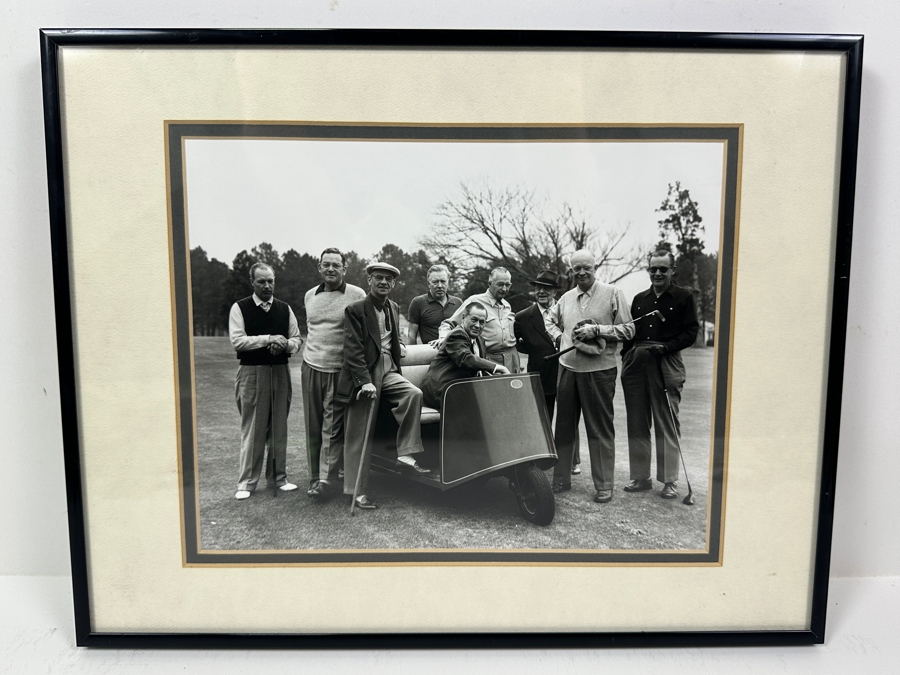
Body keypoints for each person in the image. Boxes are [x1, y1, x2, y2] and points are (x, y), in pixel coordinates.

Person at [544, 250, 634, 504]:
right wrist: (561, 338)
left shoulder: (612, 293)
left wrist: (598, 330)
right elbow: (549, 321)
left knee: (599, 429)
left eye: (586, 267)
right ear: (571, 271)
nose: (581, 272)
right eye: (576, 268)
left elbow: (629, 329)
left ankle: (604, 485)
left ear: (595, 267)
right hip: (568, 369)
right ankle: (561, 478)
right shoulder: (565, 298)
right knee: (564, 428)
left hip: (599, 371)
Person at [336, 261, 428, 511]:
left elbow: (391, 341)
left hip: (389, 370)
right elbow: (353, 350)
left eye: (389, 279)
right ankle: (357, 493)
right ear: (369, 281)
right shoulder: (355, 310)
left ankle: (405, 454)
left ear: (394, 283)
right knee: (360, 433)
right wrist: (364, 381)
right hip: (364, 372)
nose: (384, 282)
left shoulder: (394, 307)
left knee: (413, 394)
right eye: (379, 278)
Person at [621, 250, 699, 500]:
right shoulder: (639, 299)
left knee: (666, 422)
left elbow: (691, 333)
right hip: (637, 362)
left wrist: (666, 347)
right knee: (637, 421)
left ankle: (669, 481)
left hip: (666, 360)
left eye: (663, 269)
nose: (657, 273)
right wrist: (627, 357)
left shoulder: (683, 296)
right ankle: (640, 477)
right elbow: (630, 333)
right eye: (653, 269)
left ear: (672, 270)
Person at [229, 263, 302, 500]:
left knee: (279, 427)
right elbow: (238, 341)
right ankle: (247, 483)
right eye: (261, 281)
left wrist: (284, 344)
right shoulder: (240, 308)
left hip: (280, 371)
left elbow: (297, 339)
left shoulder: (284, 308)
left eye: (270, 281)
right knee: (254, 427)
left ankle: (279, 478)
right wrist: (268, 339)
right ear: (252, 282)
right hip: (252, 372)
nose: (267, 285)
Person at [301, 248, 366, 502]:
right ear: (319, 268)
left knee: (332, 427)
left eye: (335, 265)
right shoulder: (309, 295)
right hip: (311, 366)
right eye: (325, 265)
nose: (330, 269)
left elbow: (365, 329)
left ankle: (326, 480)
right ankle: (314, 476)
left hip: (340, 371)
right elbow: (312, 329)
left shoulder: (356, 294)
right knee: (313, 426)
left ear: (344, 269)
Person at [514, 269, 582, 475]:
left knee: (569, 418)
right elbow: (521, 346)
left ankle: (572, 460)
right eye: (538, 288)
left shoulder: (569, 309)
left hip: (568, 370)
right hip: (540, 374)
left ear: (555, 292)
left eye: (547, 288)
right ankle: (543, 459)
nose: (542, 291)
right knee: (542, 418)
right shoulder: (523, 317)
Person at [421, 302, 510, 409]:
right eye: (474, 320)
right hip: (441, 389)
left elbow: (479, 369)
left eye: (482, 322)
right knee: (482, 406)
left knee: (500, 399)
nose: (478, 325)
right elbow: (466, 359)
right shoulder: (457, 335)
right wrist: (497, 367)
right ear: (463, 318)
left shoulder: (480, 340)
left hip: (461, 388)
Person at [437, 267, 520, 373]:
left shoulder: (506, 305)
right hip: (490, 359)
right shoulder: (474, 302)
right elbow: (448, 324)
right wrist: (443, 338)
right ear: (490, 282)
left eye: (507, 285)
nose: (504, 289)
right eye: (500, 284)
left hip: (511, 359)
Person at [407, 264, 462, 344]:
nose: (440, 285)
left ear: (448, 283)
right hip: (429, 353)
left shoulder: (458, 303)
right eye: (435, 282)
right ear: (428, 284)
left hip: (455, 353)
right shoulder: (418, 302)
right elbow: (411, 335)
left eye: (443, 281)